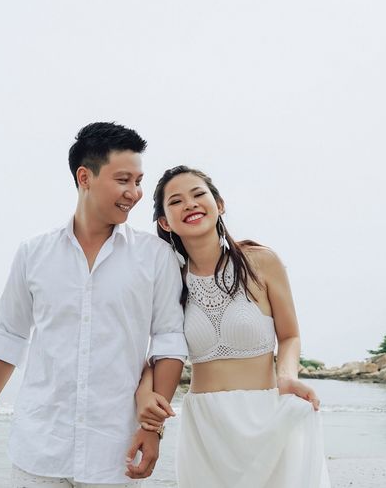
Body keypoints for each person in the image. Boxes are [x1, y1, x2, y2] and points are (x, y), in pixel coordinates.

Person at [0, 123, 188, 487]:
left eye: (138, 181)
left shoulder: (156, 257)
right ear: (85, 177)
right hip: (39, 449)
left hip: (116, 454)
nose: (134, 193)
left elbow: (168, 340)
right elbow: (9, 335)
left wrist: (153, 429)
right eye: (123, 180)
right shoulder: (33, 253)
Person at [135, 165, 330, 488]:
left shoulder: (261, 262)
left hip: (266, 417)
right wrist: (145, 395)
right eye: (176, 201)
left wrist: (287, 377)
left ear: (219, 204)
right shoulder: (169, 278)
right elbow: (151, 348)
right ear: (165, 222)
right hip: (205, 429)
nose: (190, 204)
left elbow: (289, 335)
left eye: (198, 194)